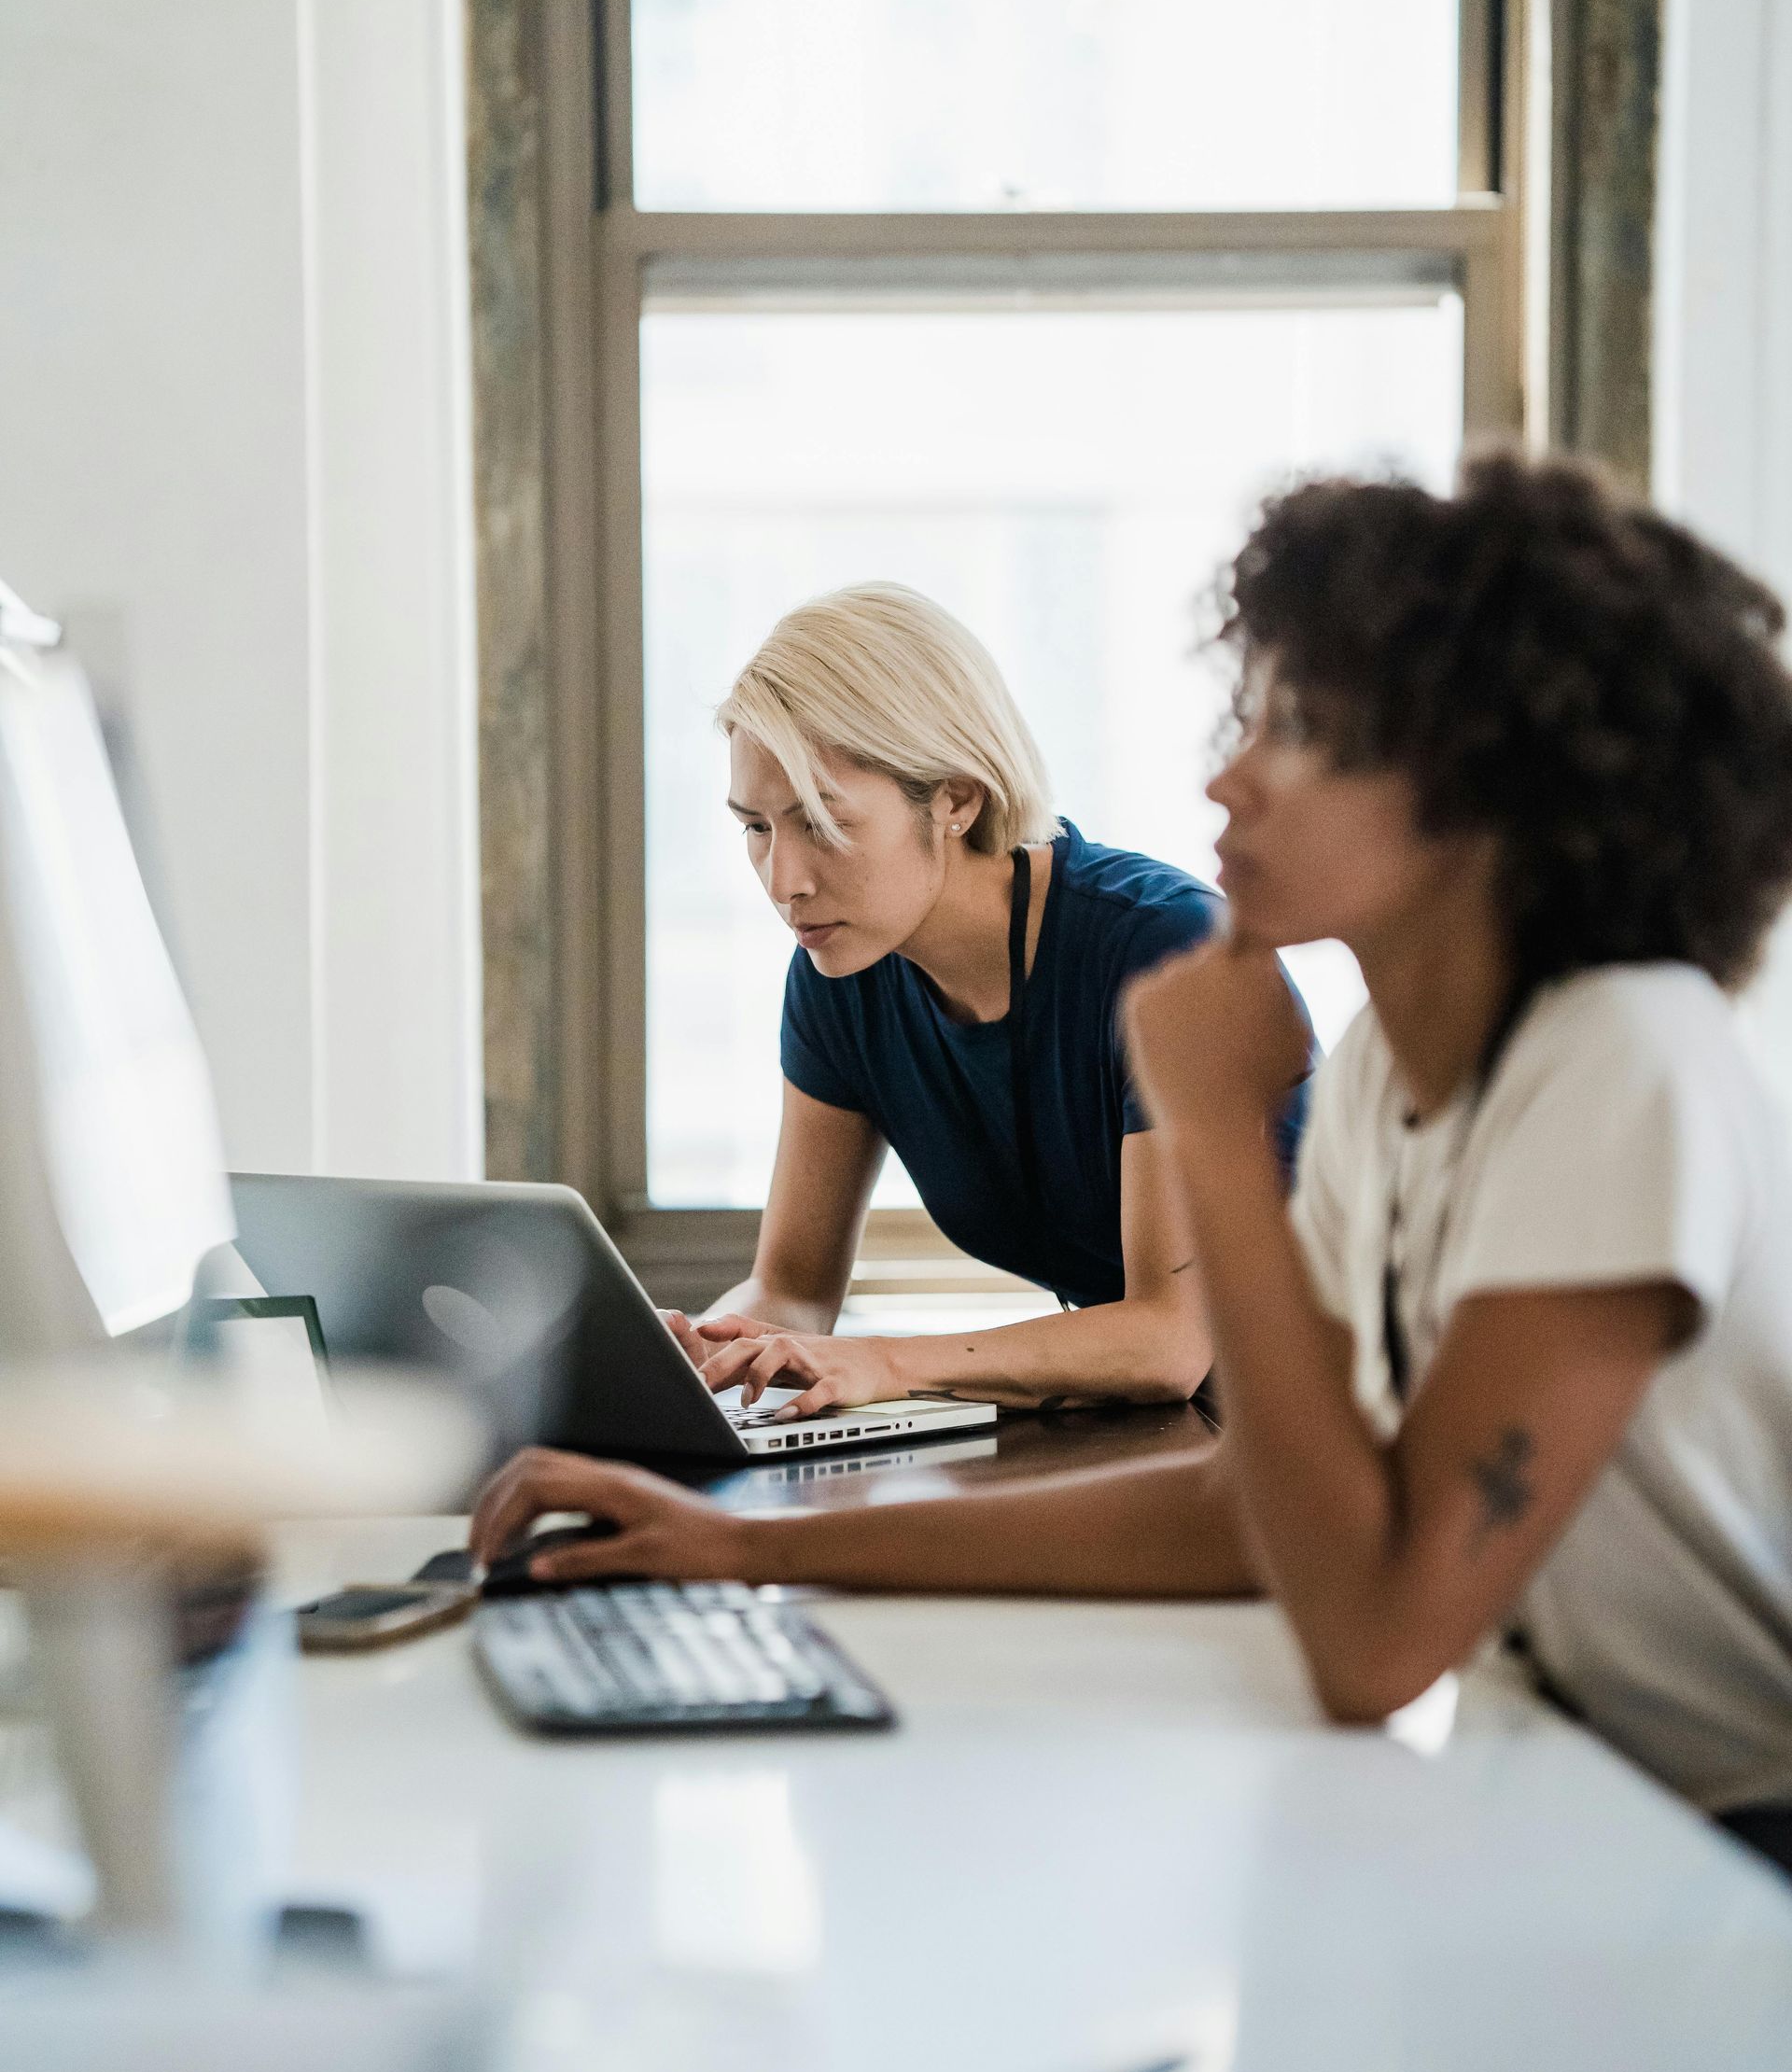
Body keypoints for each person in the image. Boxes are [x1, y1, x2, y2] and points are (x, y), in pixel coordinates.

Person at [473, 452, 1792, 1835]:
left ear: (1481, 801)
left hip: (1746, 1827)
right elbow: (1242, 1510)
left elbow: (1374, 1644)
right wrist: (734, 1543)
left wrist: (1215, 1129)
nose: (1228, 782)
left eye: (1303, 732)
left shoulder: (1621, 1063)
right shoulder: (1384, 1089)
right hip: (1581, 1797)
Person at [657, 581, 1307, 1417]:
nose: (784, 881)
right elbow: (792, 1291)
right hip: (1172, 1437)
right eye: (756, 827)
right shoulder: (838, 973)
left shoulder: (1159, 945)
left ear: (957, 799)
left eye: (820, 820)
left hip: (1353, 1416)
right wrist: (692, 1360)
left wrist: (880, 1363)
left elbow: (1167, 1340)